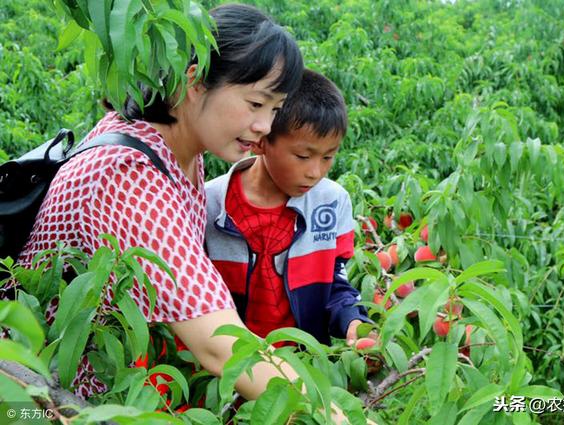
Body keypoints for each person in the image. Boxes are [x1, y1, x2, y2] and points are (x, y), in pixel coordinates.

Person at [15, 3, 309, 403]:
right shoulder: (130, 173)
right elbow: (218, 345)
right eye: (256, 104)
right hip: (34, 398)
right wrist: (329, 411)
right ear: (195, 82)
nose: (265, 127)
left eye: (275, 109)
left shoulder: (181, 149)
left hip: (96, 387)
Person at [204, 69, 370, 346]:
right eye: (303, 156)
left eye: (328, 156)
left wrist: (354, 321)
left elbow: (335, 284)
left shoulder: (331, 202)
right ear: (261, 142)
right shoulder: (210, 204)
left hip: (303, 363)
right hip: (228, 364)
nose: (315, 172)